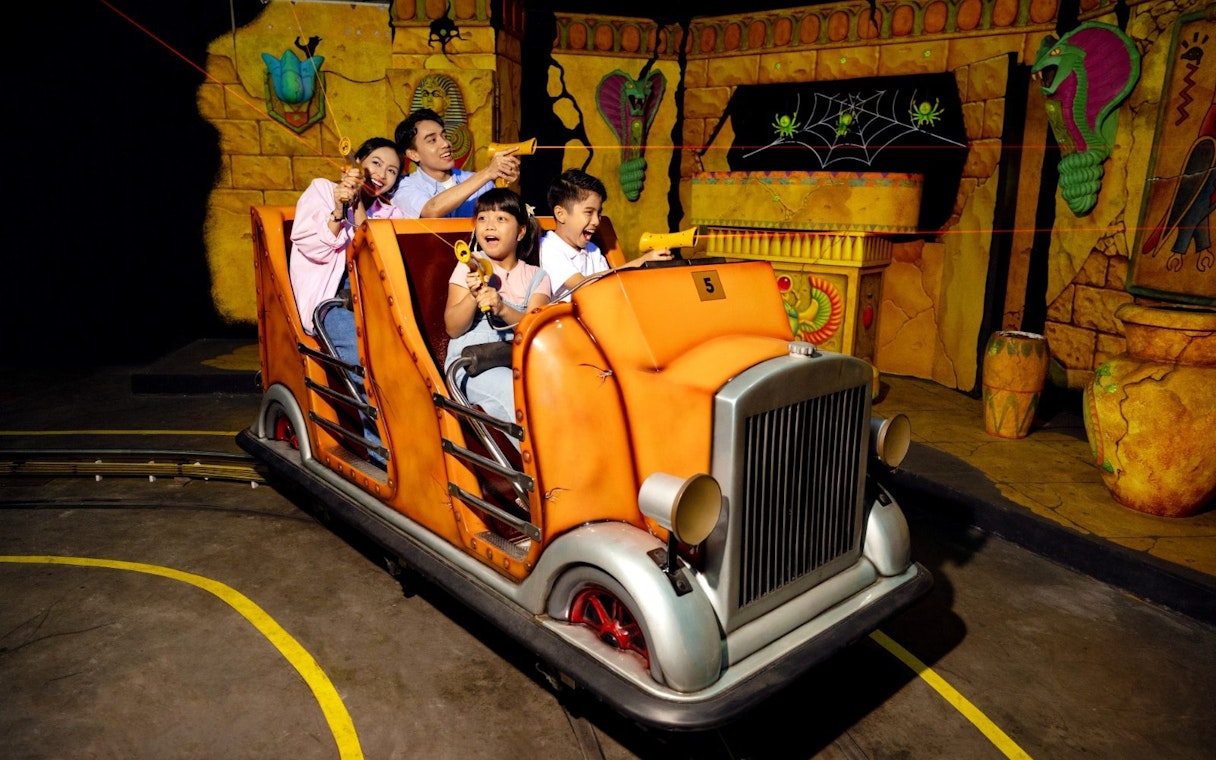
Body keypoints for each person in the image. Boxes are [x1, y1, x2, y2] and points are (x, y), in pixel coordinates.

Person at [290, 136, 405, 465]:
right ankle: (383, 458)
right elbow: (312, 245)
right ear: (358, 164)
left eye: (392, 171)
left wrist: (357, 207)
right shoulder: (322, 190)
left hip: (376, 303)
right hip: (333, 301)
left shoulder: (392, 212)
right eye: (376, 163)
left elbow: (377, 259)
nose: (382, 174)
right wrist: (340, 207)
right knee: (367, 368)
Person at [443, 188, 552, 445]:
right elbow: (453, 328)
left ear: (521, 232)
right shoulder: (470, 265)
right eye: (482, 218)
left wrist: (502, 308)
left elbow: (536, 330)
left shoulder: (537, 276)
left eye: (501, 218)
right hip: (471, 363)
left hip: (517, 360)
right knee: (515, 392)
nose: (489, 225)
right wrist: (473, 296)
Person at [538, 168, 672, 302]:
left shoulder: (593, 250)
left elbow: (608, 284)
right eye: (589, 212)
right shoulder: (547, 247)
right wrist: (640, 262)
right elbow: (583, 285)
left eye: (599, 213)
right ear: (561, 214)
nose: (596, 221)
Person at [393, 108, 521, 219]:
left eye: (445, 136)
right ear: (413, 154)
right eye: (432, 140)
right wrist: (487, 172)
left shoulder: (483, 184)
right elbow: (431, 209)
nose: (445, 144)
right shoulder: (403, 186)